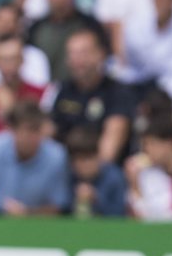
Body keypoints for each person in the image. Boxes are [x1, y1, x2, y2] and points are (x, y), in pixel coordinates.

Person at [0, 101, 67, 216]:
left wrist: (27, 214)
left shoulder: (57, 156)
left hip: (36, 224)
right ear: (12, 129)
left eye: (36, 129)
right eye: (26, 129)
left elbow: (58, 207)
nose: (31, 136)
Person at [51, 29, 134, 163]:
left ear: (100, 54)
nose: (77, 60)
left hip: (103, 172)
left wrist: (87, 173)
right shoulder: (64, 90)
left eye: (83, 53)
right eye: (72, 54)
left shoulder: (117, 92)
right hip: (65, 167)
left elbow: (110, 150)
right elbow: (50, 133)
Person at [66, 126, 127, 218]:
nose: (84, 165)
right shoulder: (68, 178)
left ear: (98, 156)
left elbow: (119, 214)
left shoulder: (115, 177)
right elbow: (61, 210)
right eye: (79, 160)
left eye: (88, 158)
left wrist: (96, 199)